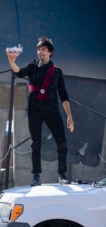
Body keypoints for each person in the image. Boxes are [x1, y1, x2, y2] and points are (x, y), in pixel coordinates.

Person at [6, 36, 74, 186]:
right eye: (38, 49)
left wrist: (69, 116)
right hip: (35, 107)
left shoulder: (56, 71)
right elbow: (19, 72)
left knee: (61, 141)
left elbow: (64, 95)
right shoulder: (32, 66)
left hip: (51, 108)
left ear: (50, 52)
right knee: (36, 143)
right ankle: (36, 176)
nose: (40, 52)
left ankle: (62, 174)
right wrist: (12, 62)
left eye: (43, 49)